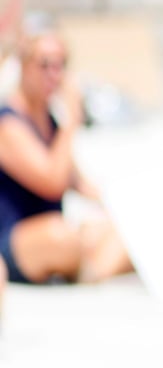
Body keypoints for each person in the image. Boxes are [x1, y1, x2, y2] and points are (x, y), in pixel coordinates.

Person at [0, 30, 134, 285]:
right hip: (15, 240)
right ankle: (89, 268)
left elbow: (79, 183)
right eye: (45, 65)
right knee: (62, 235)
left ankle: (91, 271)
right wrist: (71, 119)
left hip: (56, 232)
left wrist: (125, 204)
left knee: (123, 232)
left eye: (61, 65)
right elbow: (51, 182)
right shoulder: (8, 123)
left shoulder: (49, 122)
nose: (54, 74)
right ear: (24, 66)